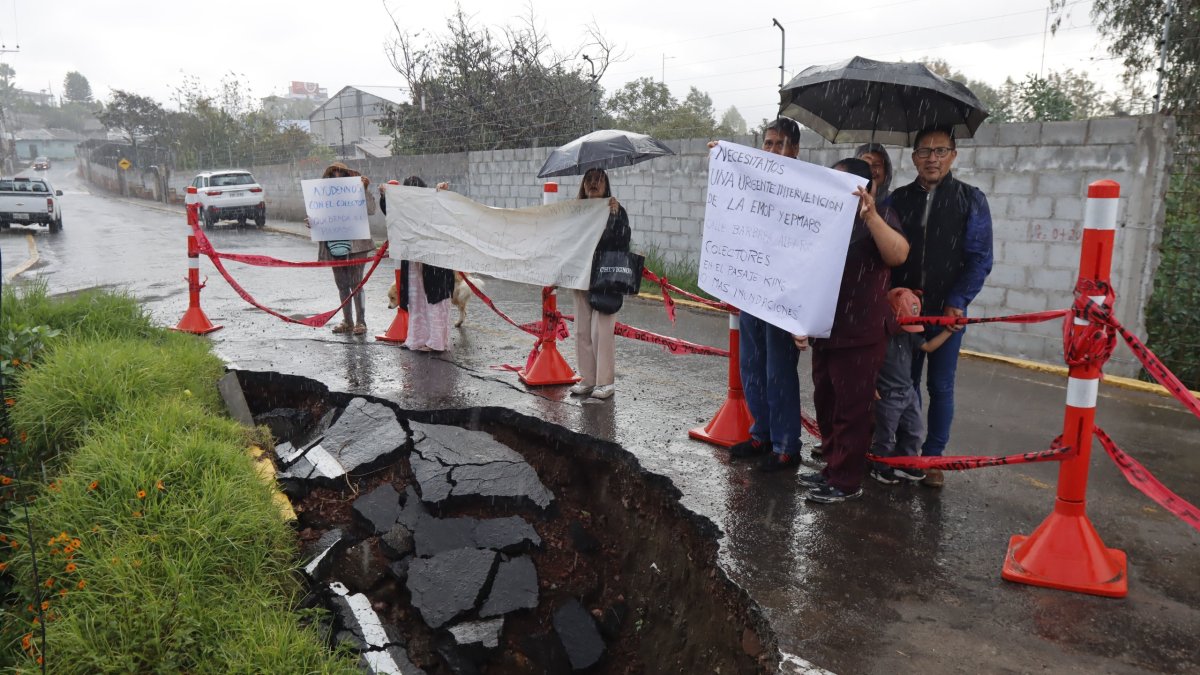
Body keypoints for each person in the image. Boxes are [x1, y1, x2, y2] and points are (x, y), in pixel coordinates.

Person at [793, 158, 910, 503]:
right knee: (826, 403)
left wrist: (870, 216)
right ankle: (832, 468)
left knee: (852, 410)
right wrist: (800, 321)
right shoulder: (824, 221)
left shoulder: (880, 217)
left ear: (866, 187)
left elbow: (899, 254)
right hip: (825, 330)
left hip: (860, 332)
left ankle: (846, 481)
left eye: (848, 182)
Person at [888, 128, 994, 488]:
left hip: (947, 315)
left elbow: (980, 258)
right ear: (913, 157)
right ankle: (910, 451)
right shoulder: (898, 200)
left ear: (954, 155)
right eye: (925, 151)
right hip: (906, 314)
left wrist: (957, 301)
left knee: (941, 387)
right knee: (905, 384)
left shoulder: (971, 200)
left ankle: (934, 458)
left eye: (941, 150)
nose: (933, 158)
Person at [718, 117, 809, 472]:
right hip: (752, 286)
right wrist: (724, 158)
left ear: (795, 149)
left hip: (785, 294)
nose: (771, 150)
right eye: (767, 143)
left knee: (778, 369)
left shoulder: (806, 188)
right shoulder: (751, 182)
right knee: (751, 364)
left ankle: (787, 445)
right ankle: (762, 434)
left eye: (779, 144)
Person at [869, 288, 954, 485]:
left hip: (908, 392)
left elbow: (928, 347)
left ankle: (904, 464)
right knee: (885, 436)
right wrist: (870, 386)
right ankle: (881, 468)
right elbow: (868, 363)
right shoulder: (878, 337)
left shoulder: (909, 334)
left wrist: (949, 331)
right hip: (887, 396)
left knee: (914, 431)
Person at [570, 167, 630, 400]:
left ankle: (605, 383)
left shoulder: (615, 209)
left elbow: (623, 242)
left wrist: (614, 218)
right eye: (589, 180)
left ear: (606, 185)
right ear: (583, 186)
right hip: (581, 276)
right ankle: (588, 379)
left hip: (605, 277)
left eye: (598, 180)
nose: (593, 184)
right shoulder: (576, 212)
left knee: (601, 331)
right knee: (582, 331)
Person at [382, 176, 456, 352]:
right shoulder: (404, 209)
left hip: (435, 265)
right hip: (415, 266)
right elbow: (390, 212)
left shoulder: (434, 204)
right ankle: (416, 339)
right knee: (417, 302)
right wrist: (386, 197)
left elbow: (447, 212)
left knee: (436, 303)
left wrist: (442, 193)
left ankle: (436, 343)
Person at [314, 162, 376, 335]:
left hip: (357, 245)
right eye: (333, 174)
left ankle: (360, 322)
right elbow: (318, 216)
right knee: (342, 285)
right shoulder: (323, 196)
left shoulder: (358, 190)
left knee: (357, 283)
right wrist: (312, 222)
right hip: (333, 246)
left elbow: (371, 210)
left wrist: (364, 189)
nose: (337, 176)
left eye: (341, 173)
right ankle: (347, 321)